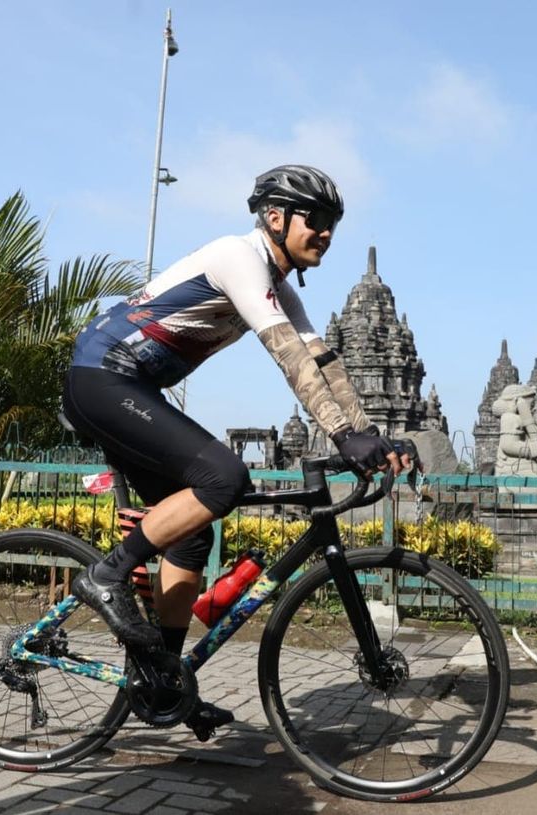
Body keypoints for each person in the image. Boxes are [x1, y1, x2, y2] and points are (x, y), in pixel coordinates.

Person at [62, 165, 411, 735]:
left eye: (331, 225)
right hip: (102, 375)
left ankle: (162, 677)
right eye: (315, 221)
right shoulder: (238, 257)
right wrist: (342, 437)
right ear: (275, 217)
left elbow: (324, 362)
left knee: (192, 532)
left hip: (132, 388)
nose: (324, 233)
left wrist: (370, 433)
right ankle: (108, 575)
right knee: (225, 477)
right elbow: (288, 357)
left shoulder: (280, 284)